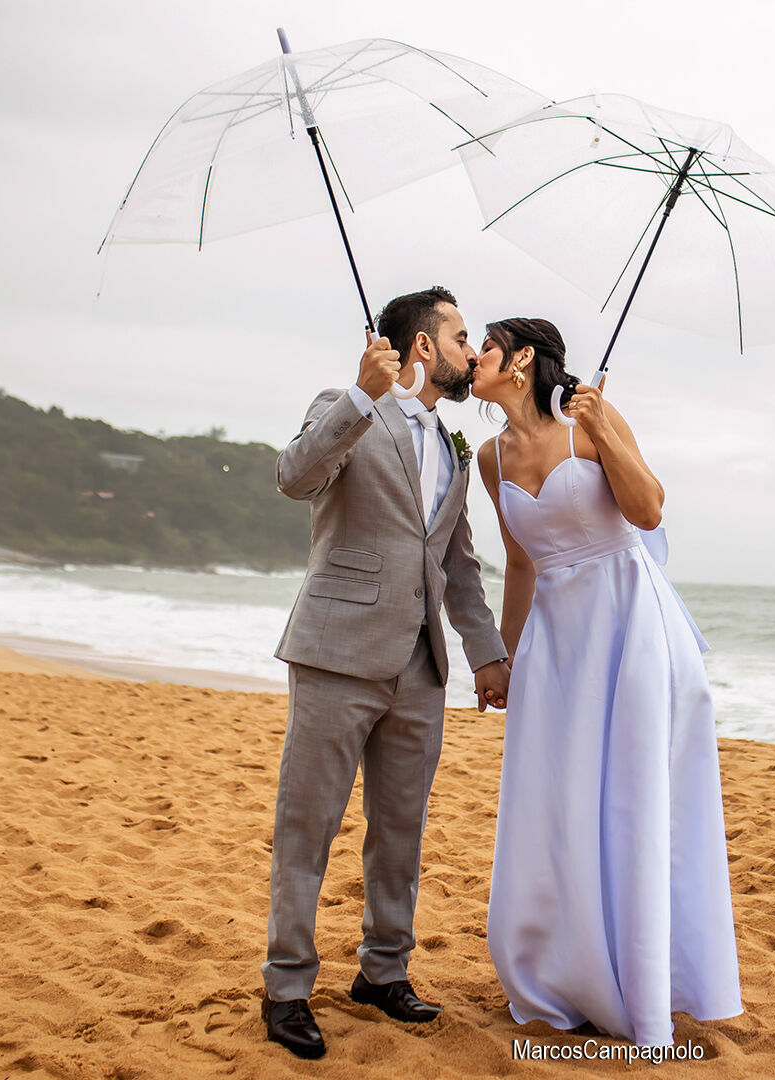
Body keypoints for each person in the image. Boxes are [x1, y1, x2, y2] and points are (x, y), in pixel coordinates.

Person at [472, 317, 742, 1047]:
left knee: (628, 798)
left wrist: (606, 431)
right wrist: (505, 655)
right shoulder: (488, 455)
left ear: (522, 360)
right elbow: (521, 562)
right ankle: (566, 969)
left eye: (486, 348)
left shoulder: (588, 415)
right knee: (556, 798)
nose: (473, 359)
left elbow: (648, 509)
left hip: (628, 623)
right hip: (556, 641)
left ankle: (641, 978)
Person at [261, 286, 512, 1060]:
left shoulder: (453, 446)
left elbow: (458, 562)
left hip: (420, 669)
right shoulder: (345, 405)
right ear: (424, 349)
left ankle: (383, 972)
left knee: (399, 833)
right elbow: (294, 477)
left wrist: (485, 651)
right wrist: (363, 398)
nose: (474, 351)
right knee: (308, 829)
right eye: (463, 336)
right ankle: (287, 987)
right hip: (336, 653)